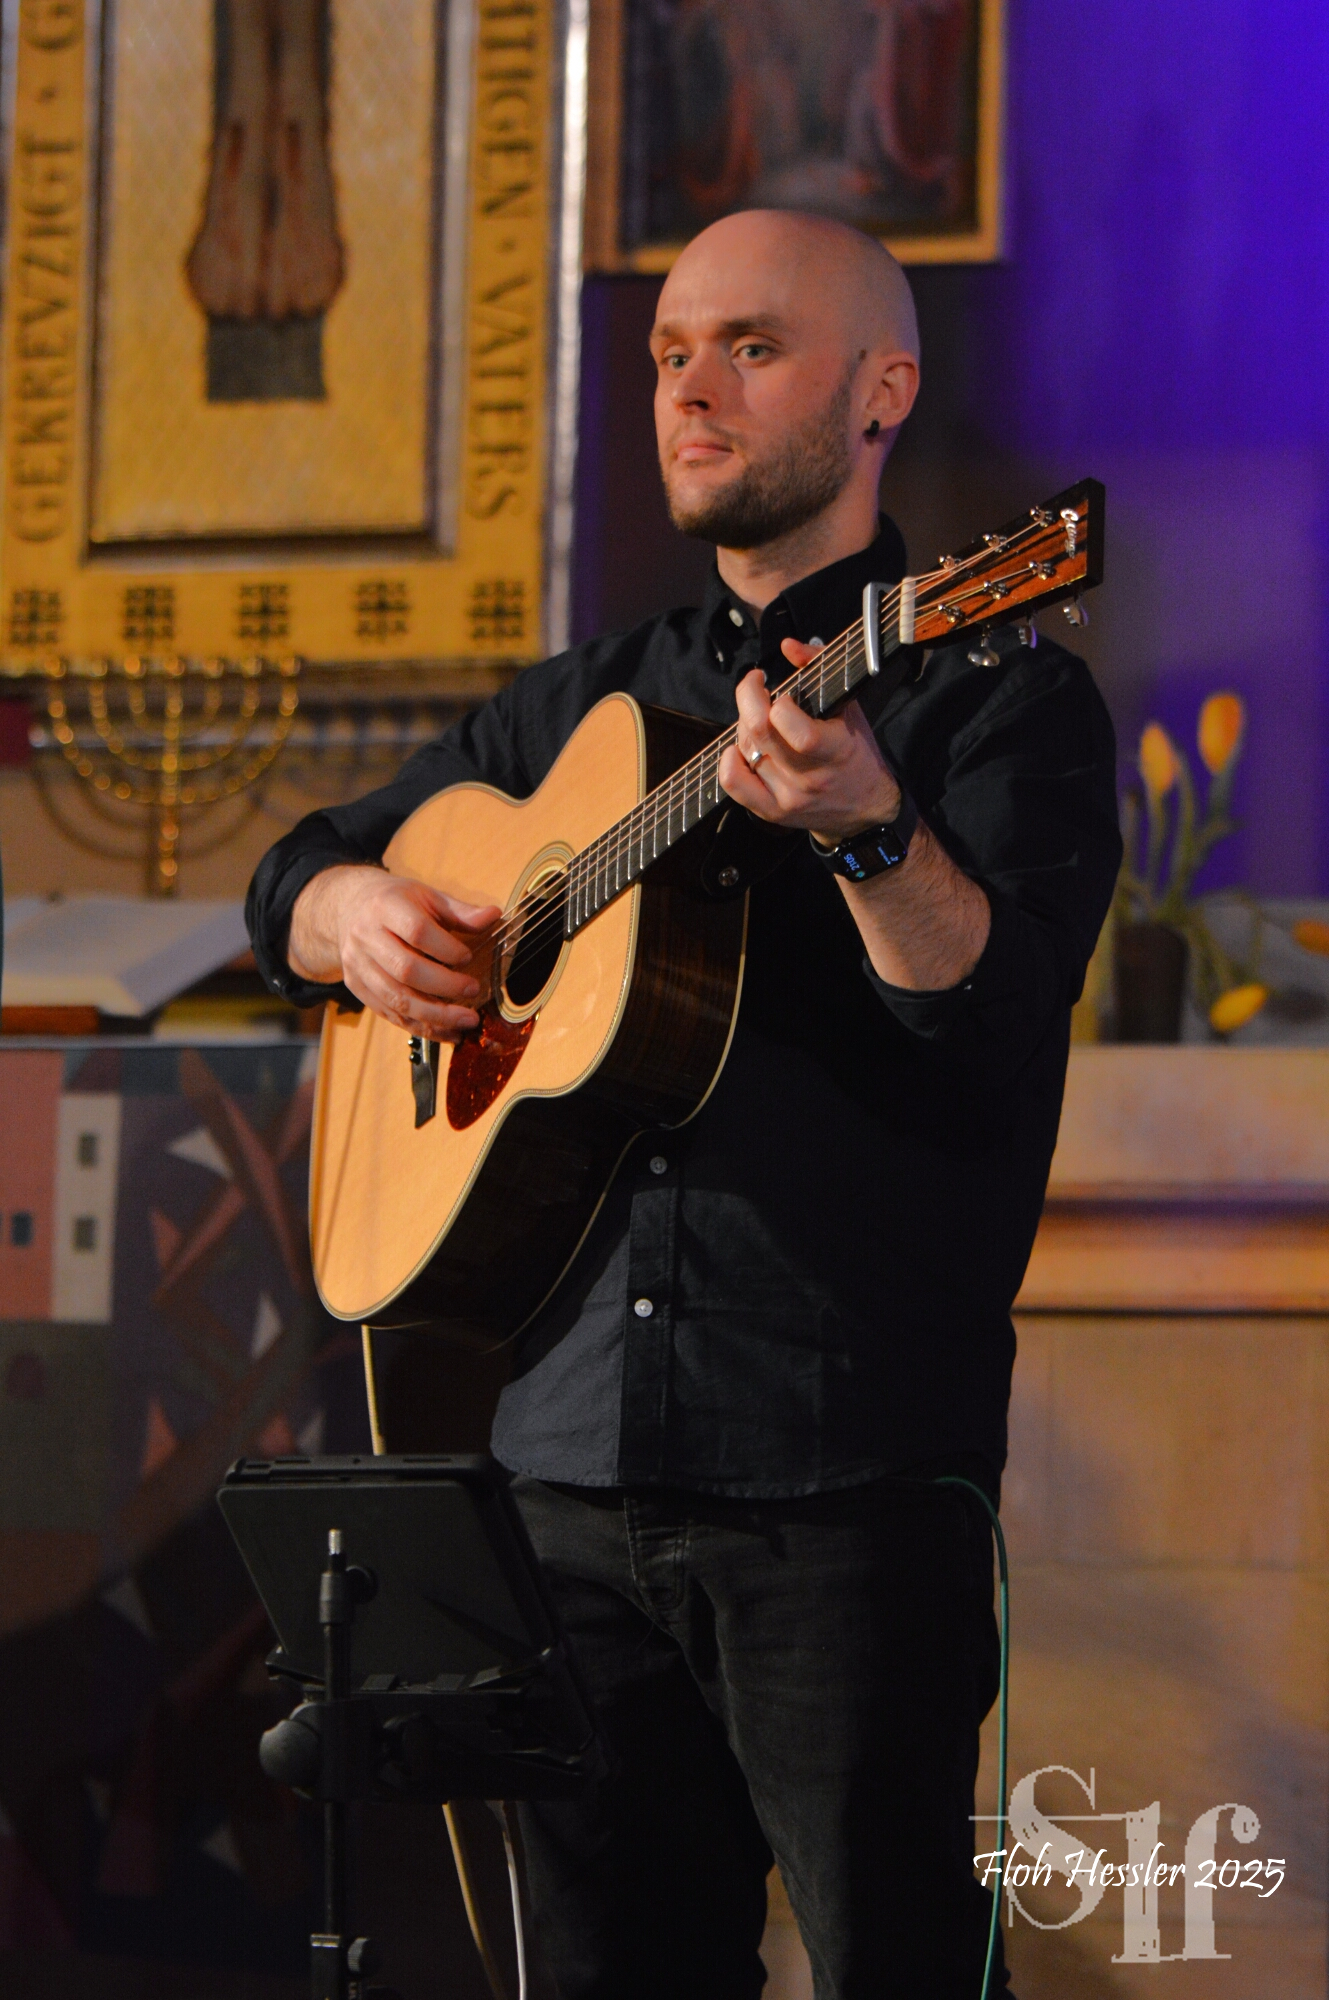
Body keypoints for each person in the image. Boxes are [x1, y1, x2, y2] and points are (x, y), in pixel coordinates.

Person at [247, 209, 1121, 1999]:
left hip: (840, 1477)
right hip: (563, 1472)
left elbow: (991, 1025)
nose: (689, 388)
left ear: (882, 392)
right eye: (666, 354)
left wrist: (869, 830)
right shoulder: (582, 705)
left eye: (748, 347)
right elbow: (298, 872)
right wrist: (350, 917)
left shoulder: (991, 693)